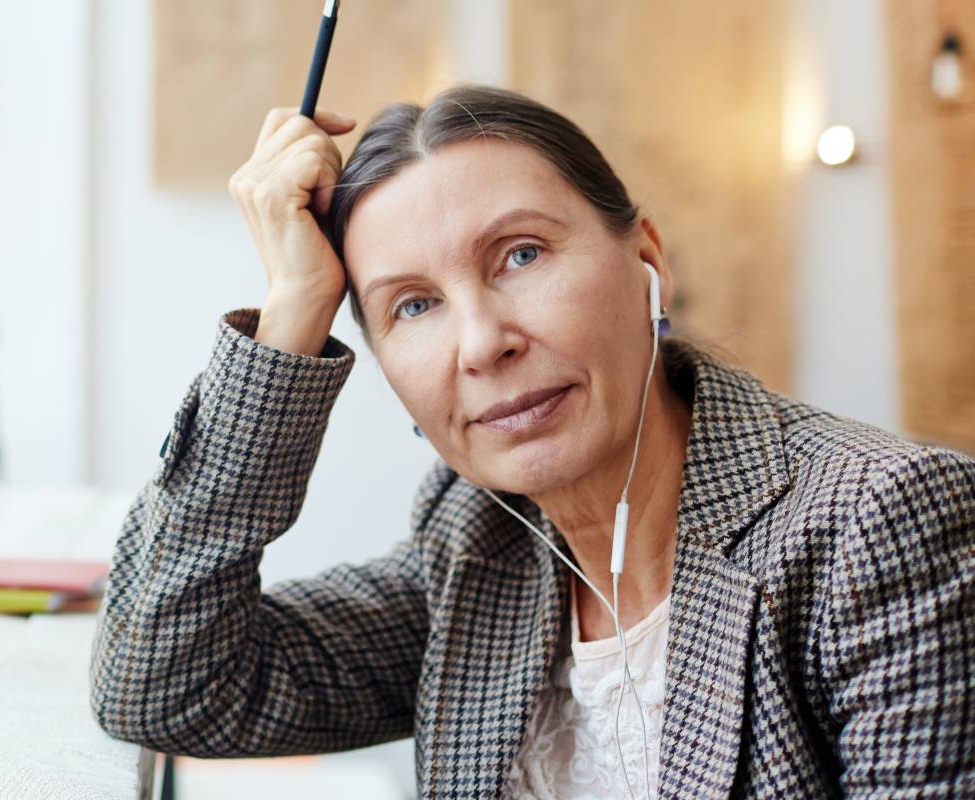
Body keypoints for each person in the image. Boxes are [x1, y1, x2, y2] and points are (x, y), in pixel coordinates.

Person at [88, 84, 975, 798]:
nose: (481, 344)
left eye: (521, 255)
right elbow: (164, 686)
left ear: (649, 264)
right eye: (413, 306)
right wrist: (287, 324)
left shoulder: (881, 521)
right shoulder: (480, 540)